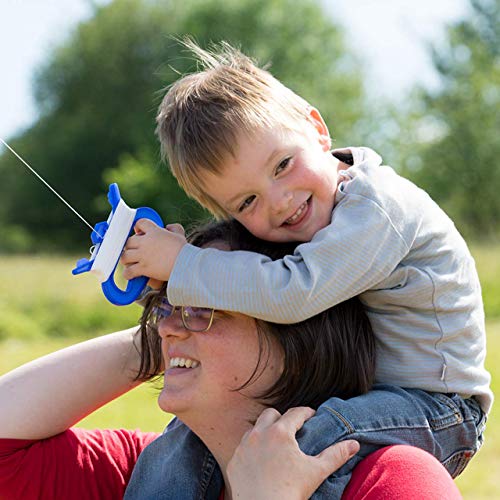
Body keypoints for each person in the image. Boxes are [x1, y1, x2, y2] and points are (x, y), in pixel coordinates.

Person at [119, 40, 491, 494]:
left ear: (318, 129)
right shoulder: (306, 220)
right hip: (370, 397)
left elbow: (290, 292)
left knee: (301, 443)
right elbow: (245, 280)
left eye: (282, 165)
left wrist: (183, 264)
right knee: (178, 443)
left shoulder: (378, 209)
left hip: (438, 407)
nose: (279, 201)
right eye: (247, 201)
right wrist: (163, 279)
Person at [0, 220, 462, 499]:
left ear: (299, 338)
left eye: (205, 307)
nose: (168, 325)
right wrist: (166, 318)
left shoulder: (391, 479)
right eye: (167, 308)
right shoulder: (148, 471)